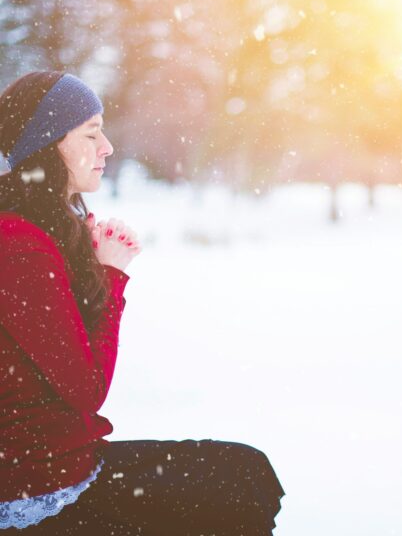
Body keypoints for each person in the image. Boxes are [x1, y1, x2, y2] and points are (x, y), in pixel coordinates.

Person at [0, 71, 285, 535]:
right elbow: (87, 391)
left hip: (62, 468)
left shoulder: (38, 234)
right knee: (239, 488)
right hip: (39, 491)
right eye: (91, 133)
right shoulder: (19, 244)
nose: (107, 146)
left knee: (249, 477)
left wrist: (91, 266)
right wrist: (111, 275)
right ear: (50, 144)